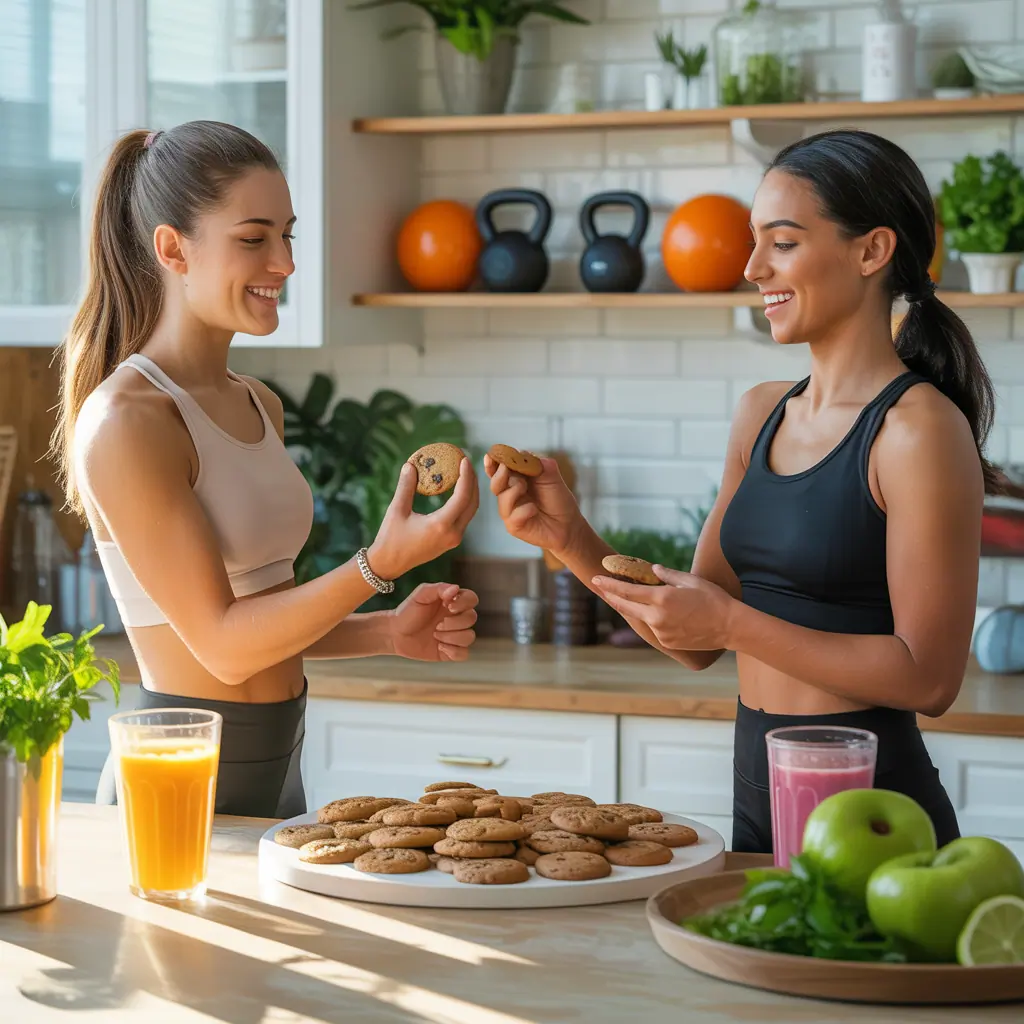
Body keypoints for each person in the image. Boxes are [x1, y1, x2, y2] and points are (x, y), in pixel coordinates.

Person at [487, 128, 994, 854]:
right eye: (755, 242)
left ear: (872, 250)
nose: (752, 267)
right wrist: (569, 540)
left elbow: (929, 677)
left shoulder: (918, 431)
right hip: (755, 785)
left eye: (782, 242)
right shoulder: (761, 412)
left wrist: (731, 625)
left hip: (874, 806)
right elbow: (692, 636)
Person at [53, 121, 480, 818]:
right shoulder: (128, 420)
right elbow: (222, 646)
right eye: (254, 239)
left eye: (288, 235)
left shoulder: (258, 404)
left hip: (280, 761)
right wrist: (379, 565)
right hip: (179, 777)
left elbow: (263, 614)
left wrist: (388, 629)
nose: (283, 262)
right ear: (173, 249)